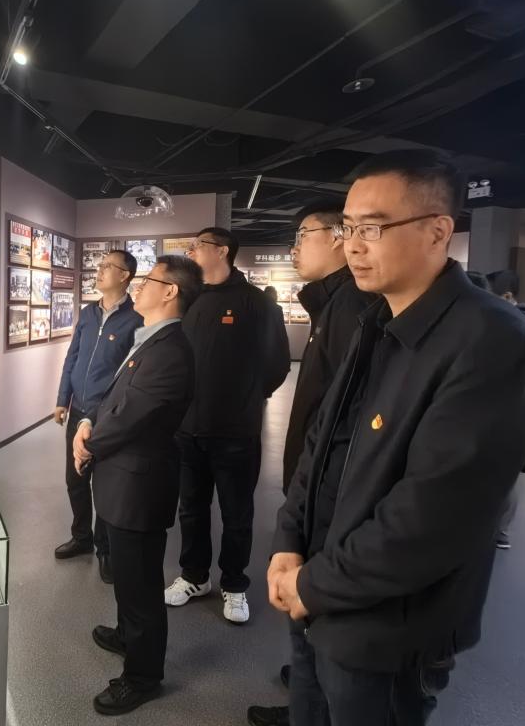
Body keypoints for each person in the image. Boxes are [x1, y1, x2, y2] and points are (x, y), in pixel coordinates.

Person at [267, 149, 525, 726]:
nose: (353, 246)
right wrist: (289, 540)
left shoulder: (490, 338)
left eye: (372, 228)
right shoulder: (374, 319)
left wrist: (314, 584)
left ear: (438, 231)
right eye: (348, 228)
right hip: (319, 593)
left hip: (386, 626)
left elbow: (435, 515)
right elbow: (322, 439)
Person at [247, 200, 375, 726]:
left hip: (331, 494)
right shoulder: (335, 305)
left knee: (316, 608)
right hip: (314, 487)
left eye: (303, 235)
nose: (295, 248)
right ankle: (308, 689)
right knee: (307, 624)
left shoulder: (351, 308)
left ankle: (311, 698)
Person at [72, 255, 202, 716]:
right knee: (128, 576)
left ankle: (143, 676)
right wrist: (87, 420)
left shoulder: (170, 351)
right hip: (122, 481)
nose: (141, 286)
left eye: (149, 279)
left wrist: (88, 444)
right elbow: (114, 397)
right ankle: (128, 636)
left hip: (139, 488)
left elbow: (131, 416)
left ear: (170, 292)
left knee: (142, 585)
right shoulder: (149, 339)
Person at [166, 227, 290, 623]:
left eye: (198, 246)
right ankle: (194, 576)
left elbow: (277, 363)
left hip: (236, 431)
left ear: (221, 251)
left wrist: (248, 399)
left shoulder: (255, 302)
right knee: (191, 509)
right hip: (188, 428)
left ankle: (234, 584)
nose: (191, 251)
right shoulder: (190, 300)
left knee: (237, 514)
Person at [54, 250, 143, 582]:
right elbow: (72, 357)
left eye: (108, 266)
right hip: (78, 408)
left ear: (125, 275)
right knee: (75, 479)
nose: (100, 269)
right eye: (100, 265)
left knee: (104, 484)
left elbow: (130, 373)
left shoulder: (136, 319)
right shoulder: (88, 313)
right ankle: (81, 538)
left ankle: (105, 549)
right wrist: (62, 399)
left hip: (107, 415)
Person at [486, 269, 525, 550]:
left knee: (504, 474)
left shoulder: (515, 327)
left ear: (507, 296)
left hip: (509, 414)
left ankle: (499, 531)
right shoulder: (523, 324)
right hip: (514, 413)